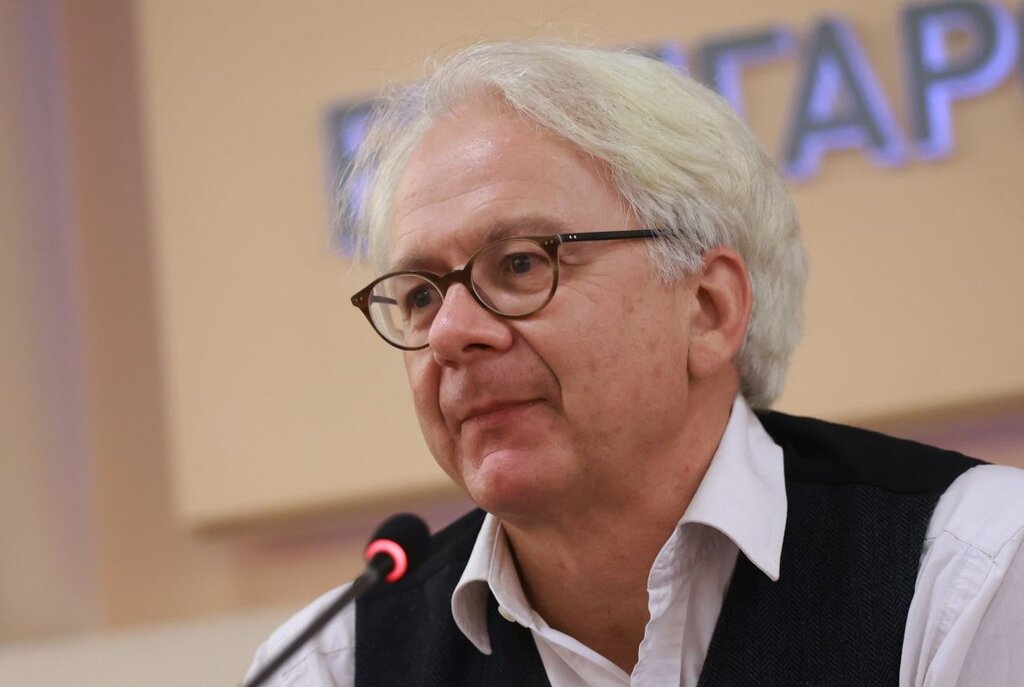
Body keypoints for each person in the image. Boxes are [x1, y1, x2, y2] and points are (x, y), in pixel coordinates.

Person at [247, 41, 1024, 686]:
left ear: (709, 308)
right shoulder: (332, 665)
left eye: (520, 264)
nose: (451, 332)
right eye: (420, 294)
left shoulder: (972, 568)